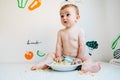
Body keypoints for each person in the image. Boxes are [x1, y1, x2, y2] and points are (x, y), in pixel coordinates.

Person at [31, 4, 101, 73]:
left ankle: (87, 67)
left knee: (88, 58)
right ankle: (44, 64)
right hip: (64, 58)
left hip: (76, 59)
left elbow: (81, 46)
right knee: (50, 54)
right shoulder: (61, 32)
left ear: (77, 18)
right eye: (62, 16)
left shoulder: (80, 31)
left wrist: (79, 58)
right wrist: (58, 56)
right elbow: (58, 45)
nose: (64, 18)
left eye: (67, 15)